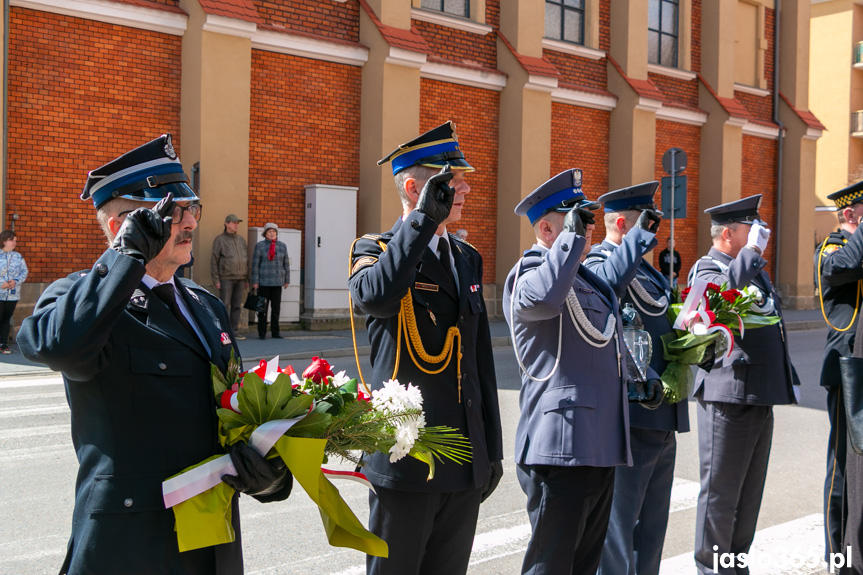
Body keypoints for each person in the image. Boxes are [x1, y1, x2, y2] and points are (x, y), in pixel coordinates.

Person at [17, 134, 292, 575]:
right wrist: (125, 258)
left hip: (211, 540)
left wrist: (271, 473)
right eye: (171, 212)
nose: (188, 223)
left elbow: (234, 410)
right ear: (120, 226)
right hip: (132, 546)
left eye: (192, 209)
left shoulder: (205, 304)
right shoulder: (81, 295)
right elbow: (56, 346)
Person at [348, 121, 504, 575]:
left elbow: (479, 363)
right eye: (452, 182)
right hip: (407, 458)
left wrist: (489, 448)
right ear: (416, 188)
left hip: (462, 459)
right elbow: (376, 297)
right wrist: (421, 222)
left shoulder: (466, 256)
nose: (466, 189)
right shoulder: (373, 249)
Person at [504, 168, 654, 575]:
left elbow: (606, 340)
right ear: (548, 227)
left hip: (600, 441)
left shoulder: (588, 281)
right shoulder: (528, 272)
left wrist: (643, 376)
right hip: (561, 444)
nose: (587, 228)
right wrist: (569, 241)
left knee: (585, 564)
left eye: (587, 219)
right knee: (550, 566)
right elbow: (545, 302)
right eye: (577, 219)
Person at [687, 195, 799, 575]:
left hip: (758, 391)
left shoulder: (749, 266)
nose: (757, 235)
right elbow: (716, 300)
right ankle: (710, 568)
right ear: (730, 233)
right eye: (749, 229)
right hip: (727, 393)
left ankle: (735, 566)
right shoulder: (708, 267)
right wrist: (750, 253)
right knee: (720, 493)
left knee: (748, 496)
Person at [584, 182, 689, 575]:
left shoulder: (645, 268)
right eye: (647, 223)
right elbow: (606, 286)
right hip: (631, 417)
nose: (655, 232)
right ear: (625, 224)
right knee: (618, 531)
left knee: (652, 530)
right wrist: (636, 240)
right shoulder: (598, 261)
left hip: (661, 414)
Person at [817, 180, 863, 563]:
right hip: (845, 368)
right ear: (850, 214)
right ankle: (837, 555)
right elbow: (844, 268)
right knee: (841, 467)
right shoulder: (832, 248)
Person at [212, 213, 249, 338]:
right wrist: (216, 279)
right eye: (234, 223)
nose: (236, 225)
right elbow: (214, 260)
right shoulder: (220, 240)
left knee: (237, 306)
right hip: (226, 278)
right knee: (224, 306)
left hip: (241, 278)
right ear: (227, 224)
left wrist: (247, 278)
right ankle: (224, 333)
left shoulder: (241, 239)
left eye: (237, 223)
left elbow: (246, 259)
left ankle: (234, 332)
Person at [251, 222, 289, 340]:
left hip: (277, 282)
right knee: (262, 309)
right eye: (269, 231)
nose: (272, 233)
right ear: (265, 234)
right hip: (263, 282)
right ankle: (262, 332)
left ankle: (275, 331)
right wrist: (255, 281)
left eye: (274, 231)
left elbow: (286, 264)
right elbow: (255, 265)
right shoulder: (260, 246)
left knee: (276, 308)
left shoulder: (282, 246)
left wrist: (287, 279)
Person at [0, 229, 27, 354]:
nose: (14, 243)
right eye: (12, 240)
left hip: (12, 295)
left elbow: (24, 272)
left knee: (6, 319)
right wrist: (1, 284)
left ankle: (3, 344)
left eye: (15, 241)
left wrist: (15, 281)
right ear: (4, 241)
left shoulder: (18, 256)